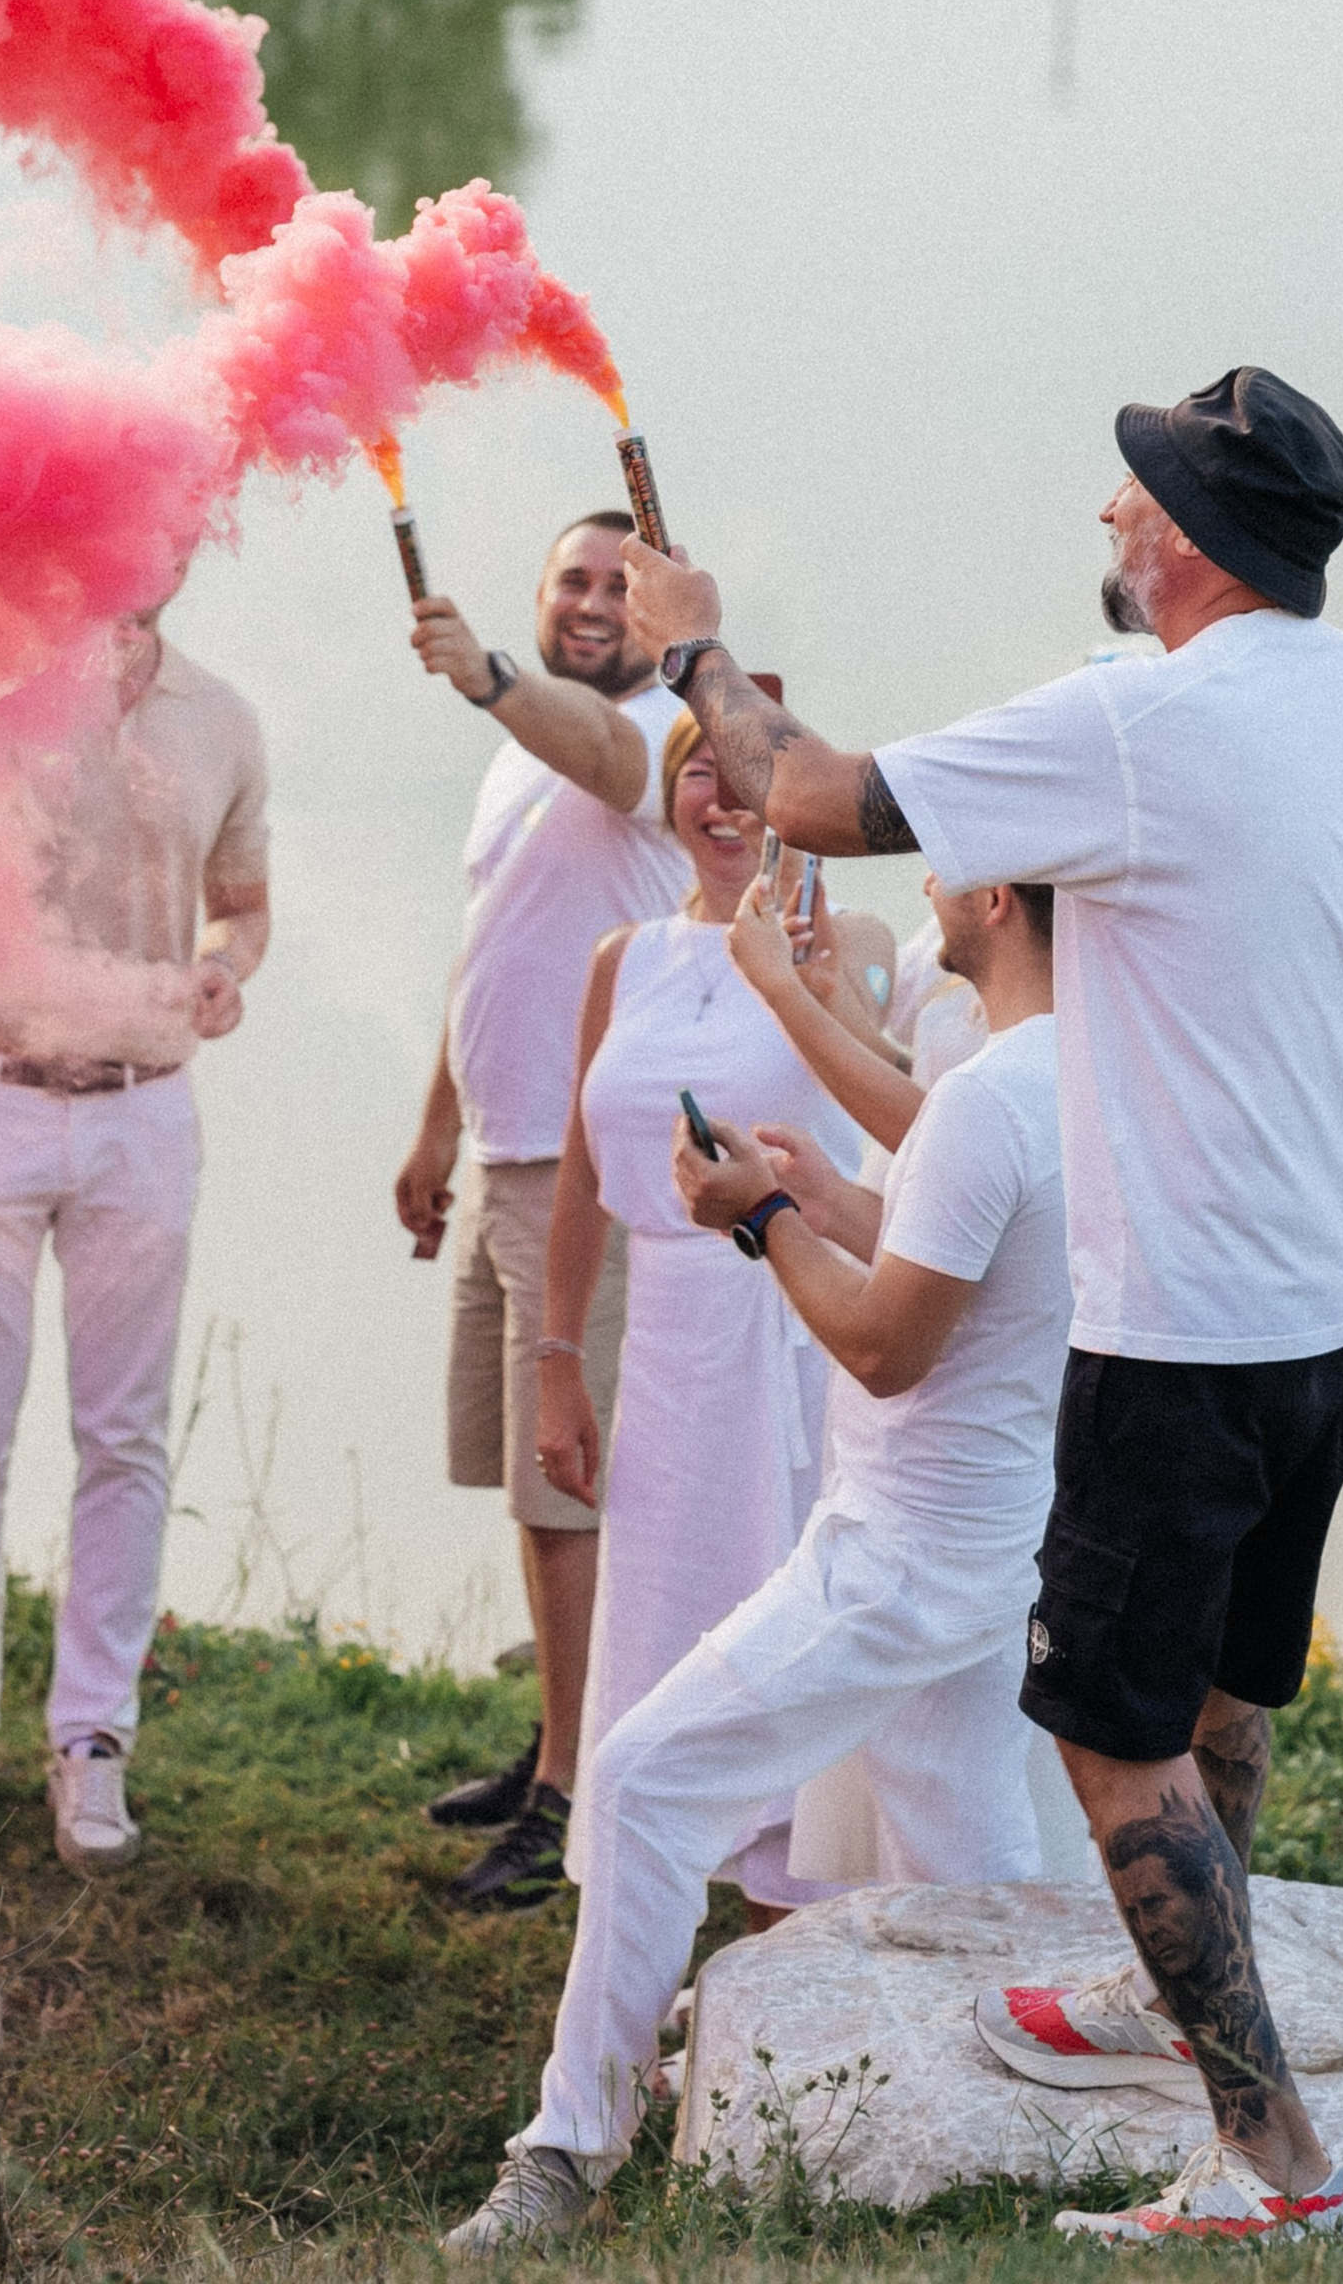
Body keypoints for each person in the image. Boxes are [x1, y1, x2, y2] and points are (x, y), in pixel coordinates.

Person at [623, 369, 1343, 2243]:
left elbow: (802, 791)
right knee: (1226, 1687)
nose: (1109, 522)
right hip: (1337, 1312)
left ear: (1190, 545)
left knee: (1112, 1727)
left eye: (1131, 499)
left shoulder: (1138, 724)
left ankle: (1275, 2166)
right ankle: (1168, 1981)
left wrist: (692, 644)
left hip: (1181, 1324)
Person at [443, 861, 1073, 2254]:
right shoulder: (1069, 1079)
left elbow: (881, 1343)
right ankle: (1044, 2139)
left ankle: (568, 2148)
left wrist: (761, 1221)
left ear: (1004, 908)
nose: (929, 882)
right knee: (975, 1864)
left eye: (956, 869)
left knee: (643, 1777)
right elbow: (950, 1268)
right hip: (997, 1545)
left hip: (905, 1555)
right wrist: (829, 1197)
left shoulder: (983, 1099)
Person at [0, 602, 267, 1874]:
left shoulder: (222, 717)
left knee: (124, 1436)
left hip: (141, 1110)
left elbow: (244, 906)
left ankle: (93, 1739)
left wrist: (226, 967)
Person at [519, 711, 893, 1918]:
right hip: (670, 1349)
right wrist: (559, 1359)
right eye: (697, 775)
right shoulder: (620, 958)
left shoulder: (853, 939)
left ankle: (789, 1935)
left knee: (790, 1634)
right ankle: (658, 1922)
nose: (723, 804)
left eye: (748, 783)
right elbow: (581, 1171)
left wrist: (812, 984)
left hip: (797, 1330)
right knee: (668, 1628)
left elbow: (898, 1122)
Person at [394, 517, 692, 1904]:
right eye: (572, 579)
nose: (592, 602)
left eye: (619, 587)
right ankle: (556, 1742)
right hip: (502, 1149)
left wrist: (492, 676)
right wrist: (434, 1125)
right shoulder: (521, 750)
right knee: (528, 1485)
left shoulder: (675, 729)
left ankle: (577, 1795)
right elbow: (489, 946)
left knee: (574, 1491)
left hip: (589, 1170)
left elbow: (616, 762)